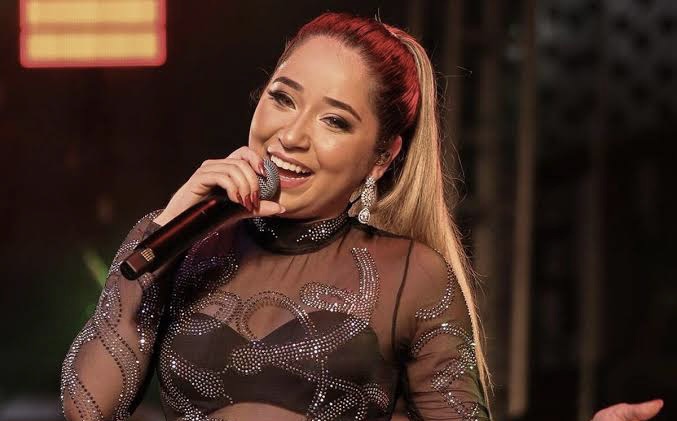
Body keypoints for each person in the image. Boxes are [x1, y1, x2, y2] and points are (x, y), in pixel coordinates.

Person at [59, 12, 664, 421]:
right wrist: (165, 229)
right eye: (283, 97)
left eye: (334, 120)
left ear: (381, 158)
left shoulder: (410, 275)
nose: (291, 135)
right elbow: (87, 409)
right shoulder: (175, 245)